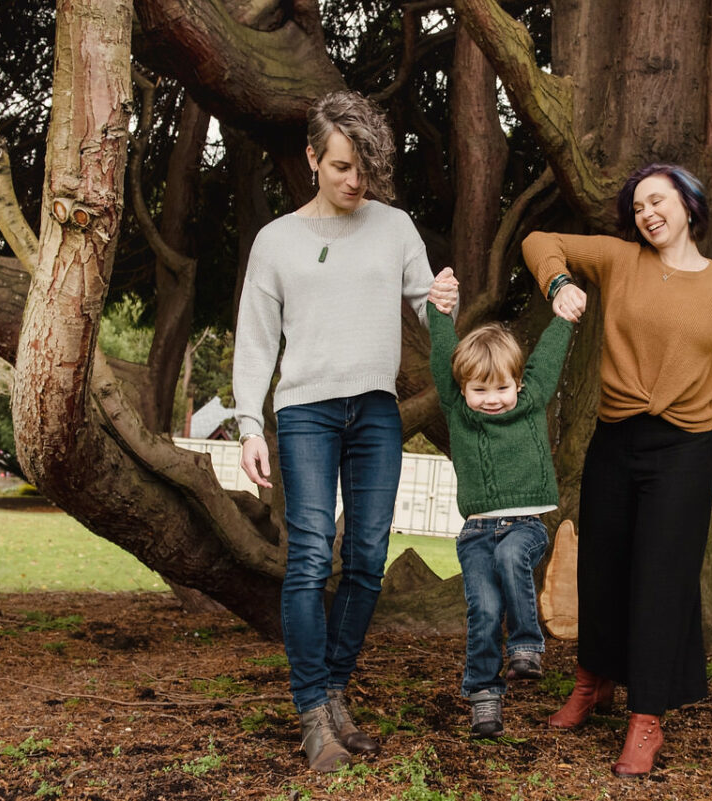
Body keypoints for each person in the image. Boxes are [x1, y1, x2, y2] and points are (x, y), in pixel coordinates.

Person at [521, 162, 712, 777]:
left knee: (662, 580)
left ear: (688, 204)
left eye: (657, 201)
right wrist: (558, 285)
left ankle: (647, 720)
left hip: (684, 451)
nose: (647, 214)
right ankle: (591, 683)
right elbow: (538, 242)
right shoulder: (619, 259)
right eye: (638, 207)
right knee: (602, 569)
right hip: (615, 438)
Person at [232, 91, 456, 773]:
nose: (354, 181)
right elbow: (256, 340)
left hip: (376, 412)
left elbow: (427, 299)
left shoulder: (393, 226)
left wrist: (442, 297)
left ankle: (334, 692)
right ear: (311, 159)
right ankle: (311, 713)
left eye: (363, 168)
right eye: (339, 167)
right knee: (307, 555)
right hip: (305, 413)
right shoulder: (277, 241)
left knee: (364, 558)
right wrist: (248, 422)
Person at [425, 267, 573, 738]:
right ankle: (485, 699)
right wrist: (439, 309)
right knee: (484, 612)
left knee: (513, 556)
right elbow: (441, 356)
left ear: (518, 384)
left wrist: (564, 319)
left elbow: (548, 359)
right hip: (475, 536)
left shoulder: (529, 404)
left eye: (502, 388)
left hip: (526, 526)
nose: (492, 399)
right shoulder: (458, 412)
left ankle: (527, 647)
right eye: (479, 390)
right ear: (462, 391)